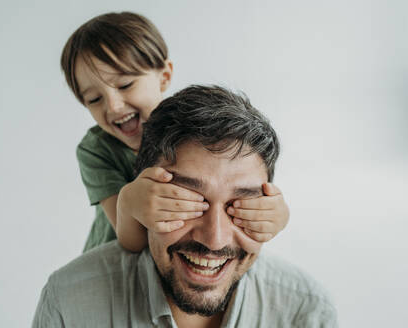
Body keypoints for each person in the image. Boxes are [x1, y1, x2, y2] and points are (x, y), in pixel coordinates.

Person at [33, 85, 338, 327]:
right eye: (185, 202)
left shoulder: (306, 311)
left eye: (240, 206)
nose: (215, 238)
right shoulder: (69, 302)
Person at [60, 12, 289, 253]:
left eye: (126, 85)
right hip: (120, 259)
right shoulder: (96, 148)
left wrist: (278, 215)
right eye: (94, 99)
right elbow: (132, 243)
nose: (113, 106)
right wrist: (128, 202)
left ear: (164, 76)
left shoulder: (189, 131)